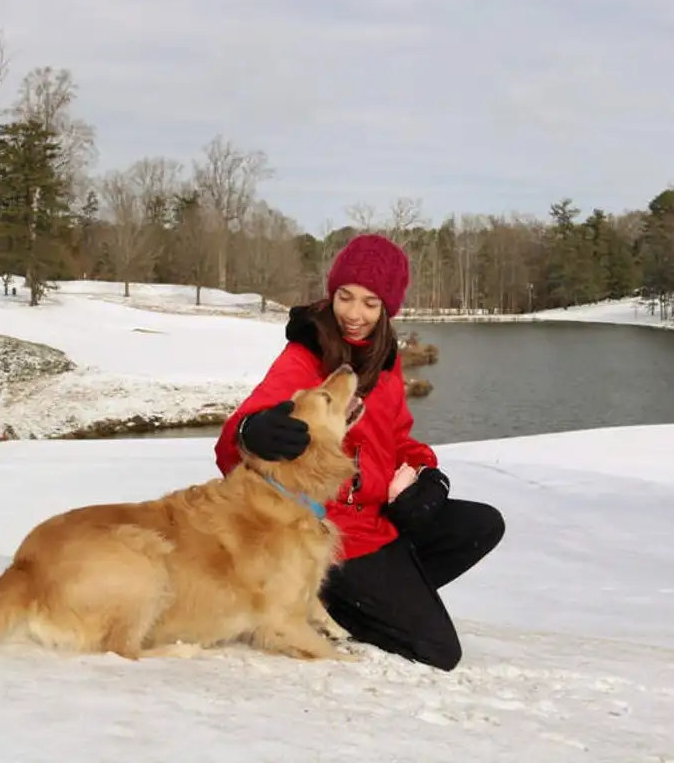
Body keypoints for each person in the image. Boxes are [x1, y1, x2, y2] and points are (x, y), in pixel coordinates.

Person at [214, 233, 505, 671]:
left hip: (378, 517)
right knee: (439, 651)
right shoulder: (306, 353)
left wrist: (428, 476)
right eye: (345, 297)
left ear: (388, 308)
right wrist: (250, 432)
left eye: (370, 303)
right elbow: (236, 438)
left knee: (481, 524)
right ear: (332, 294)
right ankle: (325, 600)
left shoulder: (386, 359)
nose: (354, 314)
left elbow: (399, 439)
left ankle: (373, 597)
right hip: (333, 531)